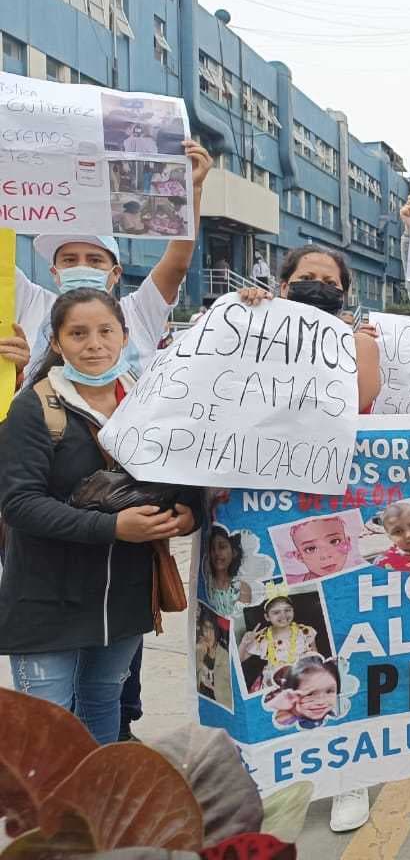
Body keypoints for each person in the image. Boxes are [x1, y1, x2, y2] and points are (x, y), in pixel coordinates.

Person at [0, 289, 198, 745]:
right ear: (57, 343)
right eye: (78, 333)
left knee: (104, 704)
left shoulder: (152, 404)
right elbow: (20, 504)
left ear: (124, 336)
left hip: (122, 601)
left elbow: (181, 476)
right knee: (47, 722)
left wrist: (188, 514)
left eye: (106, 331)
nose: (94, 344)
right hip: (46, 599)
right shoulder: (34, 408)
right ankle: (49, 817)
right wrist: (112, 527)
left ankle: (102, 809)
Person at [16, 140, 212, 384]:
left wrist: (192, 191)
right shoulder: (32, 302)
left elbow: (177, 265)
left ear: (116, 273)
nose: (82, 266)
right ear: (54, 273)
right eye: (70, 260)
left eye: (95, 260)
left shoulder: (137, 312)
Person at [237, 244, 382, 412]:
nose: (318, 286)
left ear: (342, 295)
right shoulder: (257, 331)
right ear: (284, 287)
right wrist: (246, 311)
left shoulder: (358, 347)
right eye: (307, 278)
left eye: (329, 282)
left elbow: (350, 406)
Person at [238, 593, 320, 692]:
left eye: (287, 610)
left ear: (293, 610)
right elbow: (240, 659)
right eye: (276, 612)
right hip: (273, 683)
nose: (283, 615)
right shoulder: (262, 637)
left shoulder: (305, 631)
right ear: (267, 617)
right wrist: (244, 643)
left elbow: (316, 657)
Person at [265, 655, 342, 730]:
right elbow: (271, 714)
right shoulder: (289, 718)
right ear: (293, 695)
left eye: (329, 691)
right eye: (310, 694)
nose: (321, 701)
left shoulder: (333, 713)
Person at [283, 516, 363, 582]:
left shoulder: (362, 573)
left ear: (347, 542)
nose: (325, 555)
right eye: (310, 549)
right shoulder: (288, 581)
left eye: (334, 541)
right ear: (299, 556)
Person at [206, 525, 252, 617]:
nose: (217, 553)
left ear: (234, 552)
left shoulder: (242, 587)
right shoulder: (205, 585)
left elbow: (240, 621)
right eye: (212, 548)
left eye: (222, 547)